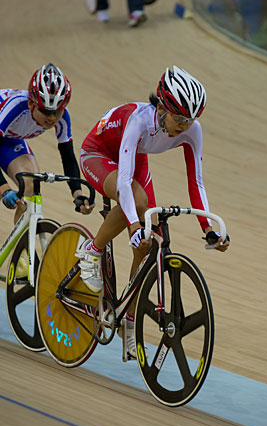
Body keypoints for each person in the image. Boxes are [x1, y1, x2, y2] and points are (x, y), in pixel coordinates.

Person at [79, 65, 230, 358]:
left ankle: (129, 318)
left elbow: (196, 182)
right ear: (162, 106)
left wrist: (208, 229)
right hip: (98, 154)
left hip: (135, 159)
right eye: (180, 118)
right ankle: (92, 249)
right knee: (135, 205)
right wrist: (134, 226)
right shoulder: (138, 120)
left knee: (152, 241)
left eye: (191, 119)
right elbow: (124, 182)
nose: (184, 126)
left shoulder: (191, 130)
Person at [0, 63, 94, 225]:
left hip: (7, 138)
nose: (51, 118)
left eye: (56, 111)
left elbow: (67, 155)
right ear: (31, 104)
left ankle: (20, 248)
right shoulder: (14, 108)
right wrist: (3, 189)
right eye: (45, 111)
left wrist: (77, 194)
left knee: (31, 184)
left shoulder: (63, 118)